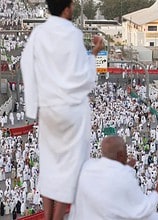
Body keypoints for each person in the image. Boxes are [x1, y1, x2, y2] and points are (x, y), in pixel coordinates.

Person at [20, 0, 104, 219]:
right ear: (66, 8)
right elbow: (83, 75)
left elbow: (26, 64)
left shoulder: (38, 33)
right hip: (72, 110)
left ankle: (47, 217)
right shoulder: (73, 34)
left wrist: (34, 101)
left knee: (49, 164)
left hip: (48, 109)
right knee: (71, 167)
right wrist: (94, 53)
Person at [69, 136, 158, 219]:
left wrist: (126, 167)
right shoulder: (124, 177)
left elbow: (110, 176)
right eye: (125, 151)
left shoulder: (88, 167)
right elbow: (145, 209)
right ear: (120, 154)